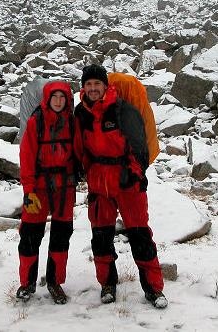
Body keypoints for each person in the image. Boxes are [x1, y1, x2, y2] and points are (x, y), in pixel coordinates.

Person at [74, 64, 167, 309]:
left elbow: (139, 147)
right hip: (98, 183)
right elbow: (77, 148)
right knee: (101, 237)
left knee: (140, 235)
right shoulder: (80, 113)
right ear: (83, 88)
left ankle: (154, 289)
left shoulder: (124, 110)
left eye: (97, 84)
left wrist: (135, 174)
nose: (93, 88)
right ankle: (107, 284)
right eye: (89, 84)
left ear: (106, 86)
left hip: (127, 182)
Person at [17, 81, 76, 304]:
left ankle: (55, 282)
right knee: (30, 236)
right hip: (39, 190)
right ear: (47, 99)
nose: (59, 101)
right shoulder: (36, 122)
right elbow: (27, 157)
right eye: (55, 97)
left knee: (61, 238)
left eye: (62, 97)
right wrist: (28, 190)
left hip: (65, 189)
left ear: (67, 100)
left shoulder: (72, 122)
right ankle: (27, 283)